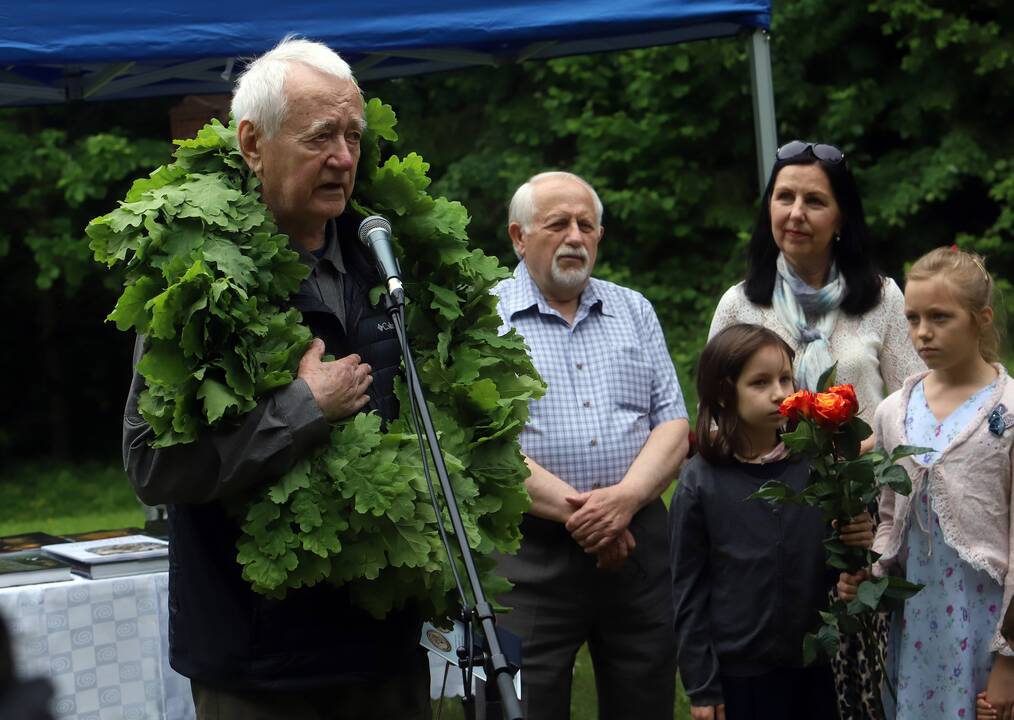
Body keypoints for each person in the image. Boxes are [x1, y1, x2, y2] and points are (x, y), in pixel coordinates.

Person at [122, 37, 430, 719]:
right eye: (322, 136)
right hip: (258, 664)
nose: (345, 158)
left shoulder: (389, 259)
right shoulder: (192, 277)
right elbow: (149, 463)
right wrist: (304, 408)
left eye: (353, 135)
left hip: (385, 647)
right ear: (253, 144)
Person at [708, 139, 924, 718]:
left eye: (813, 200)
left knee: (862, 687)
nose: (796, 213)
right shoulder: (739, 306)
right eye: (784, 197)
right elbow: (715, 417)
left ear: (841, 217)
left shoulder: (880, 299)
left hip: (864, 522)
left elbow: (919, 404)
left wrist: (865, 476)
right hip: (770, 527)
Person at [489, 171, 690, 720]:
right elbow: (484, 447)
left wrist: (623, 502)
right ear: (518, 237)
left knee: (645, 702)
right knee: (520, 706)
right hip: (527, 550)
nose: (575, 236)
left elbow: (672, 425)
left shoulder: (634, 310)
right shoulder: (483, 319)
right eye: (557, 224)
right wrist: (588, 517)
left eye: (586, 224)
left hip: (637, 544)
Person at [837, 247, 1014, 720]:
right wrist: (869, 576)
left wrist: (1008, 663)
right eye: (913, 318)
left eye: (940, 317)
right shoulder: (895, 409)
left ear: (982, 318)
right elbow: (892, 518)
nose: (922, 333)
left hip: (986, 618)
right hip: (916, 619)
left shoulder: (1009, 412)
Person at [671, 323, 871, 720]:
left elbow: (831, 568)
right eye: (759, 382)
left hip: (810, 667)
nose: (779, 393)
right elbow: (687, 592)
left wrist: (852, 562)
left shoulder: (815, 468)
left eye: (785, 378)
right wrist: (702, 686)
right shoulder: (700, 483)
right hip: (738, 676)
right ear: (724, 393)